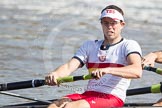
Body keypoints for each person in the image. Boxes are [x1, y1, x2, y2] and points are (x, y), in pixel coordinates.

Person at [45, 5, 142, 108]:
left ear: (122, 24)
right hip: (88, 94)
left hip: (112, 98)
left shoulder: (129, 45)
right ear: (101, 24)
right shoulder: (89, 45)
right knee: (55, 105)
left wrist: (107, 70)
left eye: (113, 23)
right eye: (106, 23)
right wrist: (56, 74)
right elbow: (69, 66)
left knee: (70, 107)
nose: (109, 27)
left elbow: (137, 71)